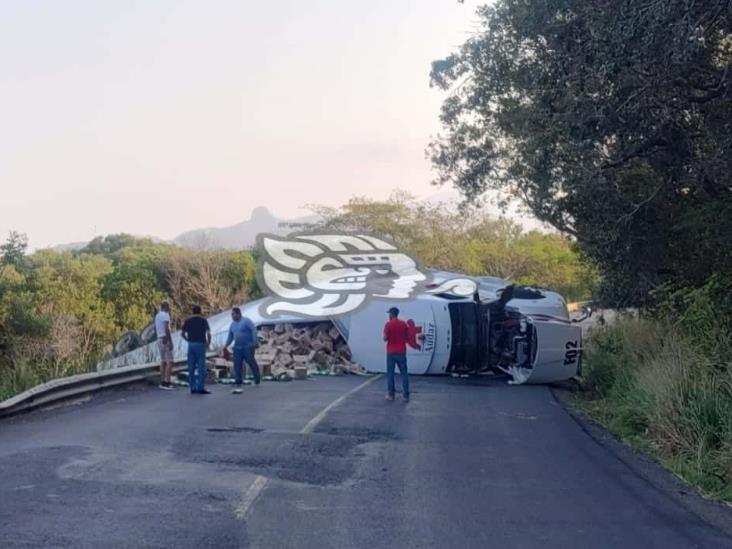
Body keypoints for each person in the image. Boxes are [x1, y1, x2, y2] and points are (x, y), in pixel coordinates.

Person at [222, 307, 260, 394]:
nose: (232, 316)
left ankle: (257, 379)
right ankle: (238, 380)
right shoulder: (232, 324)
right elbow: (230, 336)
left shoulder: (246, 321)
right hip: (237, 348)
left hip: (247, 346)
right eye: (231, 314)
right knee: (237, 364)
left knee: (251, 362)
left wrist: (254, 342)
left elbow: (253, 330)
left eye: (233, 314)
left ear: (238, 314)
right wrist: (225, 346)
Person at [182, 305, 211, 395]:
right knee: (201, 367)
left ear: (193, 312)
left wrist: (188, 340)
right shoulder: (203, 320)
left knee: (191, 367)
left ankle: (193, 388)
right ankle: (200, 387)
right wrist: (208, 343)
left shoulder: (188, 320)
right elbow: (209, 333)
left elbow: (182, 333)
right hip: (200, 344)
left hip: (191, 345)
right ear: (200, 311)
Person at [383, 307, 410, 402]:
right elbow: (407, 337)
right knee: (404, 373)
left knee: (390, 374)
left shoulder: (388, 325)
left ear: (391, 314)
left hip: (391, 351)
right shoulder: (403, 324)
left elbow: (385, 338)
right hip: (401, 351)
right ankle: (406, 395)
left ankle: (391, 395)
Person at [155, 301, 175, 390]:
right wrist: (170, 341)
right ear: (167, 307)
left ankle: (162, 381)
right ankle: (168, 382)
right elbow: (167, 329)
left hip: (159, 339)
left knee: (163, 361)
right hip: (165, 339)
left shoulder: (157, 316)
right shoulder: (165, 315)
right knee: (170, 361)